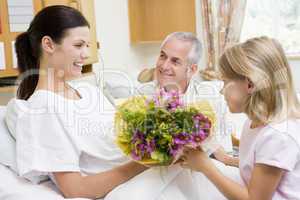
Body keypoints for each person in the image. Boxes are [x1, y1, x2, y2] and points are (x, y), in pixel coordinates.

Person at [5, 5, 207, 200]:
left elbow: (126, 139)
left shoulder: (88, 91)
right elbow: (75, 189)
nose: (85, 54)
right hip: (135, 183)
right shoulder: (42, 109)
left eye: (88, 46)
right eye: (78, 45)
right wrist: (147, 163)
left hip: (157, 172)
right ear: (48, 44)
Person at [181, 36, 300, 199]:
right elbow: (257, 166)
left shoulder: (277, 136)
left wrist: (205, 166)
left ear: (250, 84)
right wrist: (226, 159)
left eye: (225, 82)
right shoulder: (254, 123)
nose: (222, 91)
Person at [137, 32, 237, 166]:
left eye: (175, 61)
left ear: (192, 69)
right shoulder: (140, 97)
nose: (164, 66)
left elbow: (223, 155)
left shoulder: (212, 99)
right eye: (163, 56)